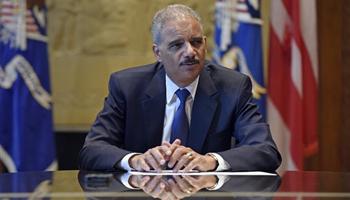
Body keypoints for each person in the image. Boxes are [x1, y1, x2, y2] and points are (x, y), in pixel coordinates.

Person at [78, 4, 281, 172]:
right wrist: (135, 160)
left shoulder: (233, 86)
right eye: (177, 45)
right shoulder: (128, 86)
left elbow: (265, 150)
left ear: (205, 43)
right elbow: (93, 149)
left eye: (196, 42)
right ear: (158, 53)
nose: (190, 52)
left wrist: (211, 161)